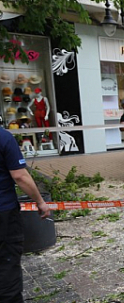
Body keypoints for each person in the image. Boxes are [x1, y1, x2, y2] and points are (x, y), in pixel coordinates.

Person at [0, 127, 51, 302]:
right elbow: (20, 176)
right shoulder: (3, 137)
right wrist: (40, 201)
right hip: (3, 213)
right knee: (7, 265)